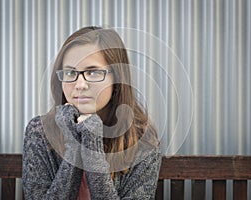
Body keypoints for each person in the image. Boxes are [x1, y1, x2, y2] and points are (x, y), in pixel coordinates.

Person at [22, 26, 162, 199]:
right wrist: (74, 145)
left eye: (93, 72)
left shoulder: (142, 139)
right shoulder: (40, 131)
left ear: (117, 78)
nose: (80, 84)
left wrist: (92, 145)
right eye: (70, 72)